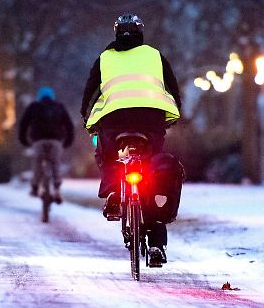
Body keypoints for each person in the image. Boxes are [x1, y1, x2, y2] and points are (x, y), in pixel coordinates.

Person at [81, 14, 181, 266]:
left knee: (108, 154)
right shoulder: (155, 56)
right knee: (154, 171)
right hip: (151, 121)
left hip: (114, 122)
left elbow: (90, 94)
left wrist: (87, 119)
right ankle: (157, 242)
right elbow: (172, 89)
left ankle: (115, 191)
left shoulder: (104, 59)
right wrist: (172, 114)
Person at [19, 86, 75, 203]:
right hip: (56, 141)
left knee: (38, 162)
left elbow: (23, 124)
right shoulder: (59, 107)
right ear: (52, 96)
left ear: (39, 97)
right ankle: (57, 189)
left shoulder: (34, 107)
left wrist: (24, 140)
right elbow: (69, 125)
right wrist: (68, 141)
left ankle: (35, 187)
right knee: (55, 163)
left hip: (38, 141)